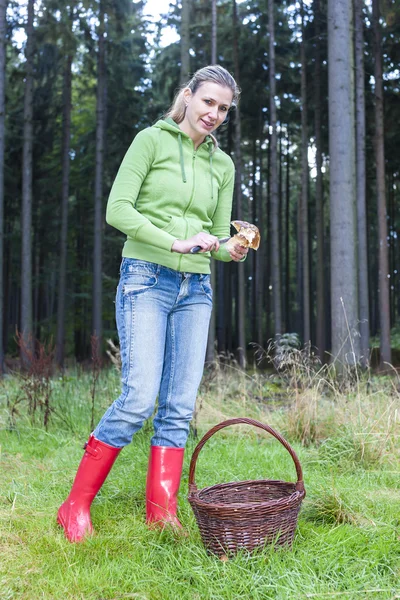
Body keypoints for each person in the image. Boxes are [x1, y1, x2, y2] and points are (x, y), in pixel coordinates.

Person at [57, 65, 248, 543]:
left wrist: (232, 248)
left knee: (179, 405)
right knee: (140, 395)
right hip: (145, 279)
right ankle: (74, 505)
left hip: (195, 291)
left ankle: (160, 512)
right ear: (188, 97)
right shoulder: (151, 141)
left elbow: (219, 240)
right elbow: (117, 209)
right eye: (208, 102)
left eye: (223, 108)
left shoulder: (222, 166)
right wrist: (173, 242)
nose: (214, 114)